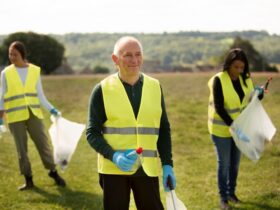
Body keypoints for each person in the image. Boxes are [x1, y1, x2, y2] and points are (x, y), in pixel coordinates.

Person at [86, 36, 176, 210]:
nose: (134, 60)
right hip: (113, 169)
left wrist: (167, 164)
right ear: (115, 59)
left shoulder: (155, 86)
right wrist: (114, 156)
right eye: (127, 55)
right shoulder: (102, 89)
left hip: (147, 168)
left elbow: (163, 128)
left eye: (138, 54)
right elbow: (92, 132)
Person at [0, 41, 66, 190]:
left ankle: (53, 172)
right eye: (10, 54)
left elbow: (40, 95)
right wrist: (0, 118)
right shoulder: (6, 73)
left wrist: (52, 109)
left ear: (22, 55)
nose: (12, 57)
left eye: (15, 54)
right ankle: (28, 179)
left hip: (33, 113)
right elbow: (2, 95)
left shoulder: (35, 71)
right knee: (21, 149)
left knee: (43, 144)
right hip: (15, 116)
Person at [208, 48, 264, 210]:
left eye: (242, 67)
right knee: (224, 163)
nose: (239, 71)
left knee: (235, 164)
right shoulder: (218, 80)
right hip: (221, 130)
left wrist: (260, 93)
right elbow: (219, 107)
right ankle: (223, 198)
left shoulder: (246, 79)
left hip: (240, 128)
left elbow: (251, 98)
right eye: (236, 67)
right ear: (228, 65)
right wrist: (234, 127)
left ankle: (232, 193)